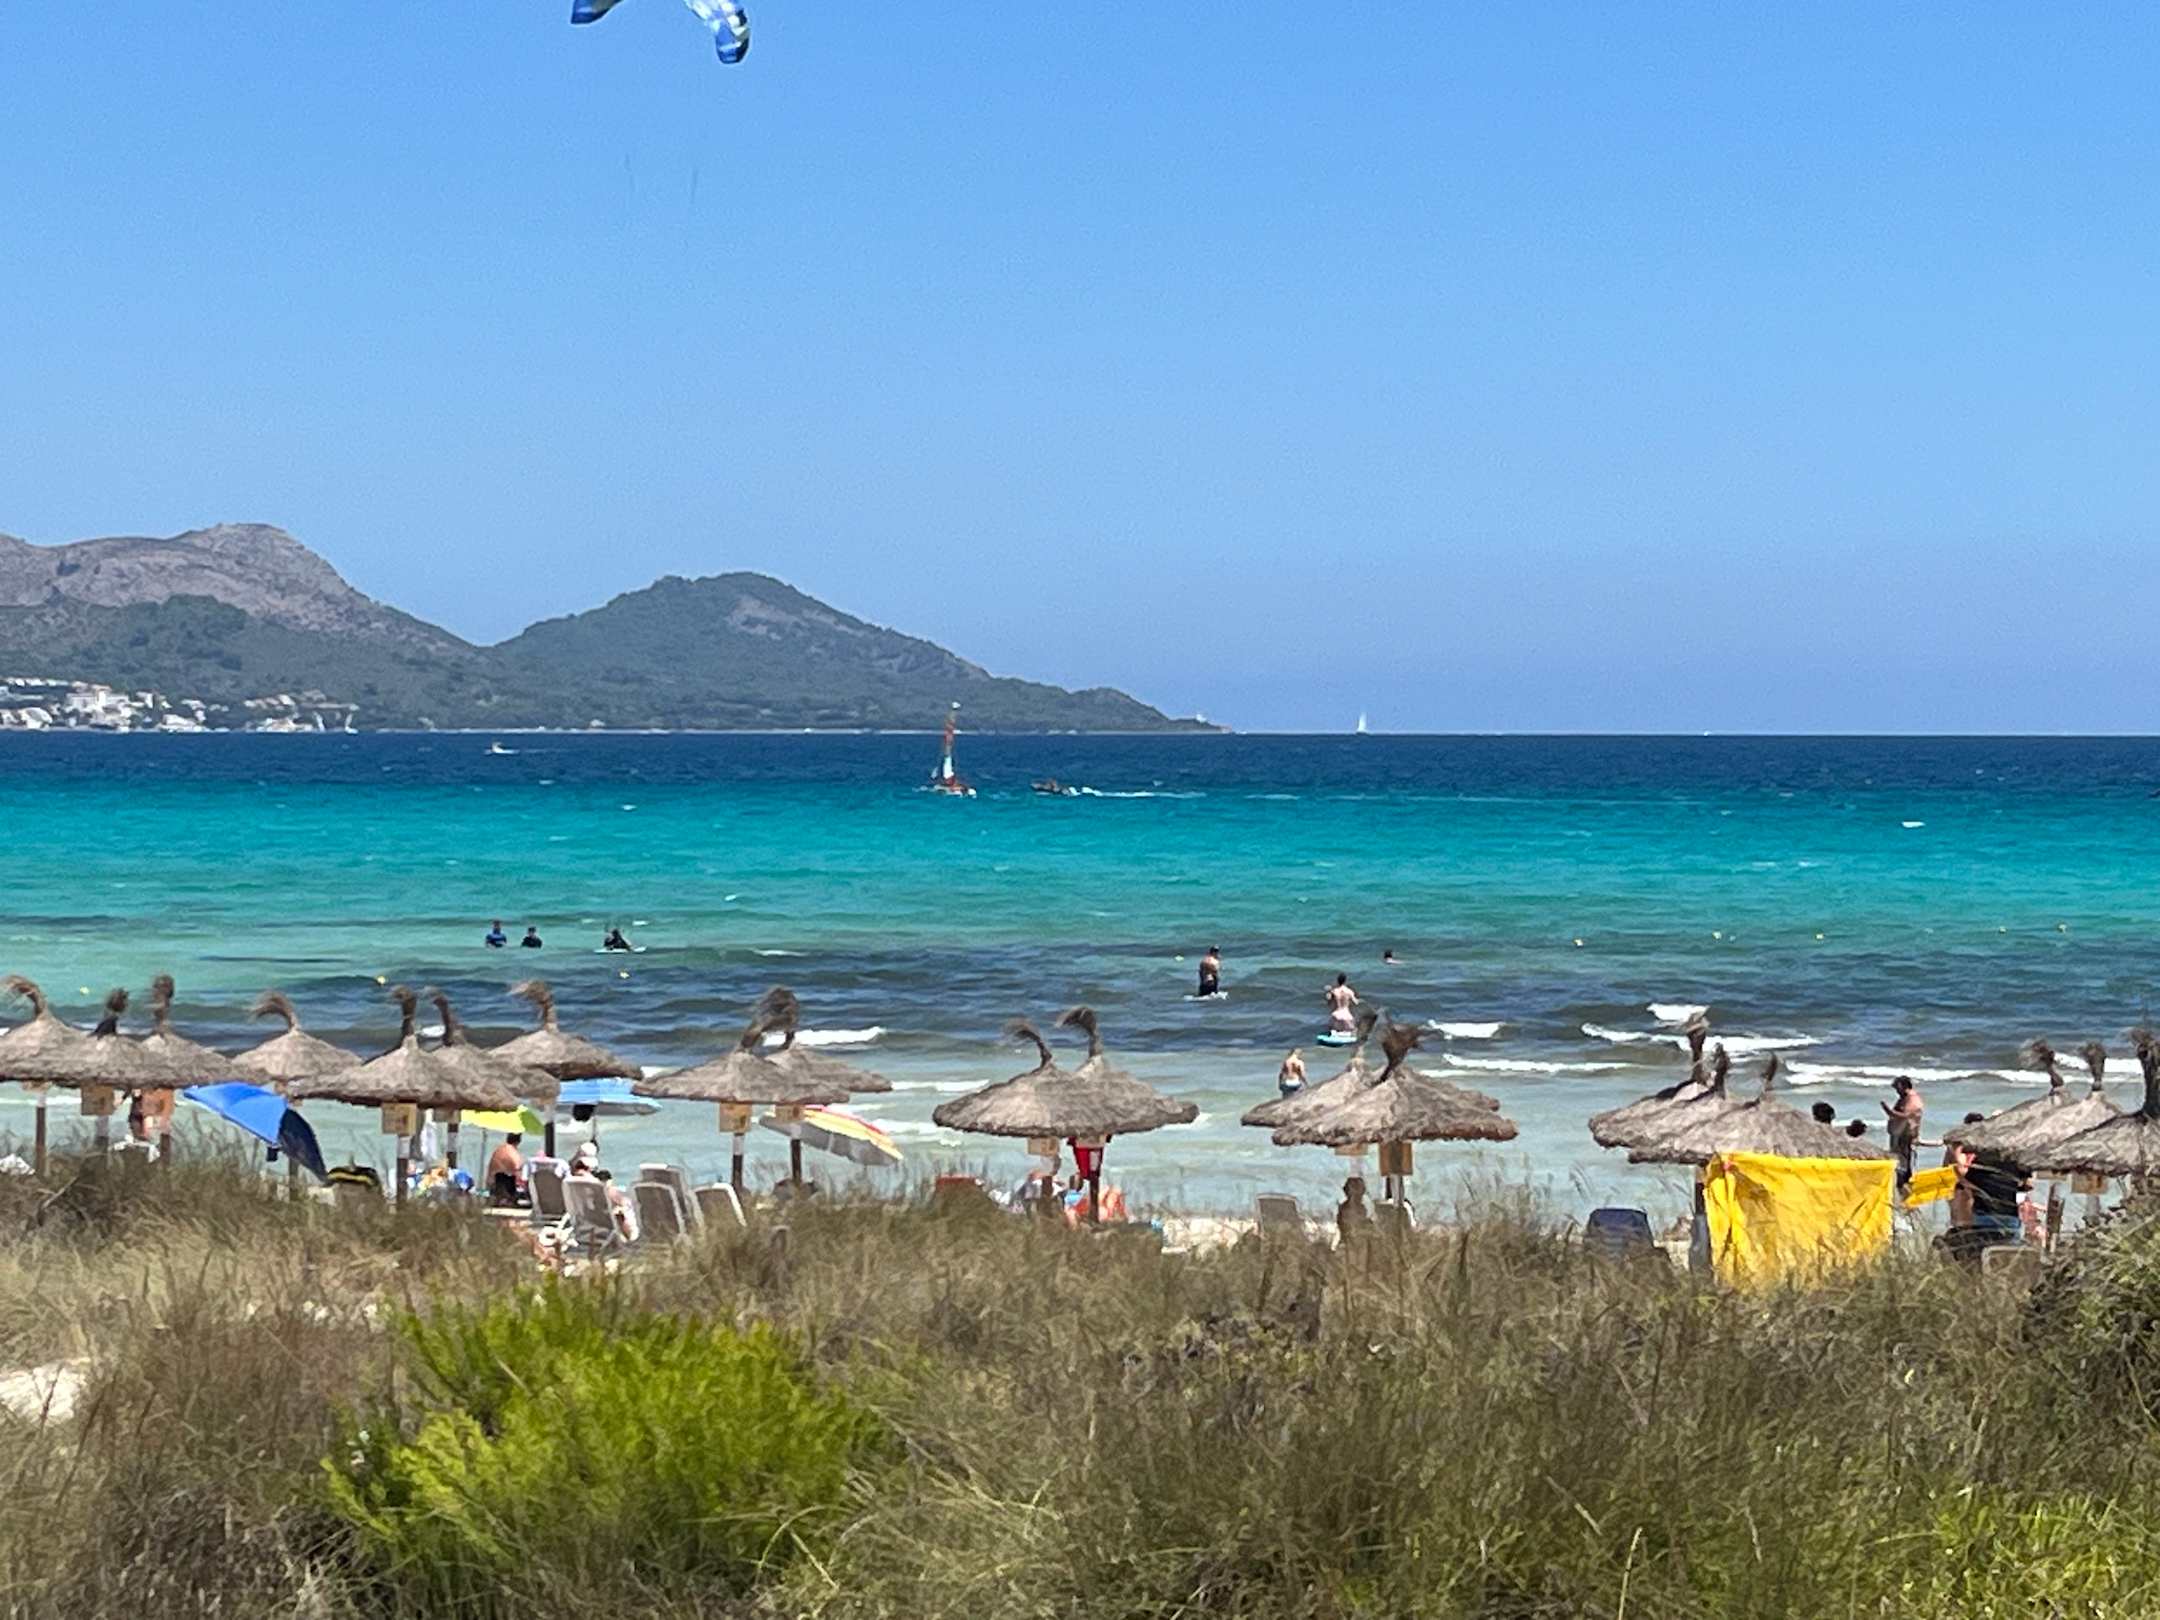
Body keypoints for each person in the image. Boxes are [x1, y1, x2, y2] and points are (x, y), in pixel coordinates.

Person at [1882, 1076, 1924, 1186]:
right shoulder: (1904, 1098)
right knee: (1899, 1160)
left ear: (1904, 1086)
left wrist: (1888, 1111)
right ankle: (1901, 1182)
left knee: (1903, 1162)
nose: (1897, 1091)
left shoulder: (1913, 1100)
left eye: (1898, 1088)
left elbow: (1905, 1115)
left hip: (1905, 1135)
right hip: (1899, 1133)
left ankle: (1903, 1183)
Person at [487, 1131, 527, 1207]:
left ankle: (503, 1199)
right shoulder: (512, 1151)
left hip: (493, 1187)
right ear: (518, 1141)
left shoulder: (499, 1150)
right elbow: (518, 1165)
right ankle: (507, 1200)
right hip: (504, 1188)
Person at [1336, 1175, 1374, 1247]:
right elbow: (1349, 1231)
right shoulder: (1346, 1210)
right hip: (1351, 1243)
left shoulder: (1363, 1208)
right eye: (1357, 1190)